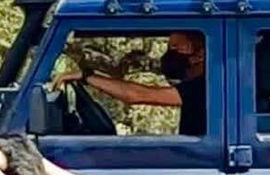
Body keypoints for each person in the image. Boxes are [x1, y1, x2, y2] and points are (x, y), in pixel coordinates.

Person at [52, 31, 206, 136]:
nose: (171, 53)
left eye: (176, 47)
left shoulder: (203, 87)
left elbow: (136, 95)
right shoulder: (199, 85)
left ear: (200, 54)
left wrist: (87, 76)